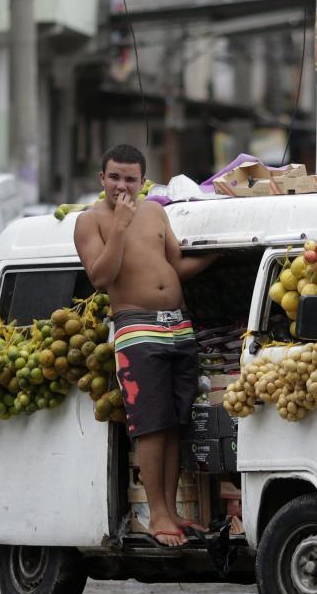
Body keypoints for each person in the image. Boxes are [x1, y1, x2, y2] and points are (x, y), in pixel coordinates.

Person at [74, 144, 219, 547]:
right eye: (115, 177)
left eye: (130, 178)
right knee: (152, 424)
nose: (122, 185)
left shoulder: (156, 212)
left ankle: (171, 511)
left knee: (175, 421)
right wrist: (119, 225)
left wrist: (216, 255)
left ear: (143, 180)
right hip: (137, 330)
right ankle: (156, 516)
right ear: (102, 178)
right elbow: (101, 276)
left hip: (178, 325)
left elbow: (175, 267)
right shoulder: (91, 221)